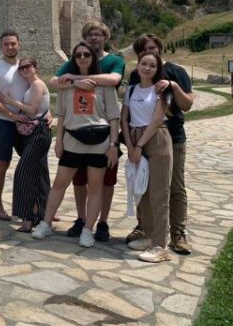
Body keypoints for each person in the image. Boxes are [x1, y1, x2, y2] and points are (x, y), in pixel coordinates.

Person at [32, 42, 120, 248]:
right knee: (59, 183)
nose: (82, 58)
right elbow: (61, 115)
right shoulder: (66, 85)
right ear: (74, 59)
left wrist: (114, 145)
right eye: (78, 55)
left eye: (86, 54)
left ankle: (88, 230)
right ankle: (46, 223)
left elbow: (114, 118)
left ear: (92, 57)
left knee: (95, 187)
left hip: (99, 142)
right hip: (72, 140)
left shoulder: (105, 86)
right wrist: (59, 140)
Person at [49, 21, 124, 241]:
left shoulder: (114, 60)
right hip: (77, 131)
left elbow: (114, 80)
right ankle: (82, 219)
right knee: (79, 181)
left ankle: (102, 222)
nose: (94, 38)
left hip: (103, 130)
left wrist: (76, 79)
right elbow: (54, 81)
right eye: (90, 34)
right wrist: (74, 80)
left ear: (105, 37)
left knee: (105, 182)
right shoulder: (77, 59)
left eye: (99, 34)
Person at [126, 34, 194, 254]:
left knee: (173, 188)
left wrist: (173, 86)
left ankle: (177, 233)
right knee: (144, 187)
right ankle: (146, 229)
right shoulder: (136, 76)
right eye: (145, 50)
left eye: (154, 48)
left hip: (171, 137)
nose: (151, 52)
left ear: (160, 49)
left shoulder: (176, 72)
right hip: (143, 140)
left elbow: (187, 104)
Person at [122, 50, 174, 262]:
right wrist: (130, 144)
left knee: (159, 193)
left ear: (157, 69)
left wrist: (139, 146)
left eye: (152, 65)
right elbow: (125, 118)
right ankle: (149, 235)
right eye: (144, 63)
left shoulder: (161, 90)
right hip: (134, 138)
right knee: (141, 191)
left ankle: (160, 245)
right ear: (138, 65)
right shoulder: (131, 89)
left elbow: (156, 120)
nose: (147, 68)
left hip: (155, 138)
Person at [1, 57, 51, 232]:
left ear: (35, 67)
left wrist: (11, 102)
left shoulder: (37, 84)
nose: (23, 70)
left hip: (39, 132)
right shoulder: (32, 86)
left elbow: (33, 109)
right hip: (36, 131)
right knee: (40, 173)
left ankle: (28, 217)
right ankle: (44, 214)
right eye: (21, 68)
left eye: (27, 67)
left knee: (23, 172)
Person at [0, 31, 28, 220]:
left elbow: (38, 89)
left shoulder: (26, 67)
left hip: (26, 121)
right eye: (6, 44)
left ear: (19, 44)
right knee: (2, 163)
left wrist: (47, 112)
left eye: (13, 44)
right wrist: (10, 114)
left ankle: (38, 205)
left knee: (32, 163)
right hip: (3, 122)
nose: (10, 47)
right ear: (1, 46)